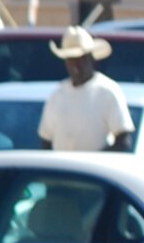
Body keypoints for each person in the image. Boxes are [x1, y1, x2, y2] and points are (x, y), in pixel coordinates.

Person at [37, 25, 134, 153]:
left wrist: (92, 160)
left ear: (91, 58)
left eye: (82, 58)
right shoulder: (57, 95)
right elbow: (46, 141)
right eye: (72, 59)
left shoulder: (108, 91)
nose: (77, 65)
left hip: (96, 166)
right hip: (61, 165)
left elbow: (123, 141)